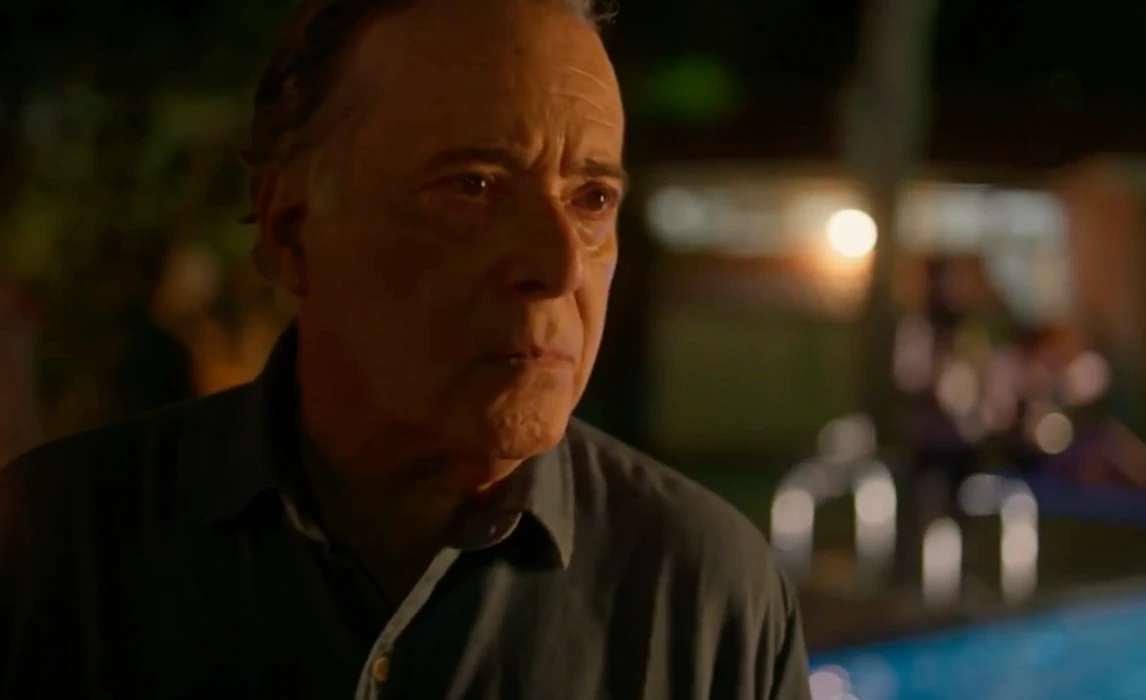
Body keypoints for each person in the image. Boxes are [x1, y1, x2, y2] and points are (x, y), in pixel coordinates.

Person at [0, 1, 811, 698]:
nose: (560, 264)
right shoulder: (52, 553)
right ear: (290, 228)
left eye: (591, 198)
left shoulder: (707, 596)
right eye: (474, 186)